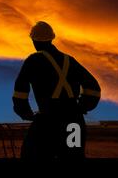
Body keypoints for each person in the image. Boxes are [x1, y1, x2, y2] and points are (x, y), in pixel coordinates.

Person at [13, 21, 101, 159]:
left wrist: (27, 114)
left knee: (31, 155)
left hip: (48, 122)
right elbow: (94, 89)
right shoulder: (70, 60)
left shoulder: (33, 61)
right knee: (73, 157)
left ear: (34, 41)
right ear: (52, 38)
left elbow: (20, 94)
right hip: (74, 122)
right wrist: (82, 107)